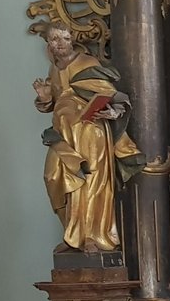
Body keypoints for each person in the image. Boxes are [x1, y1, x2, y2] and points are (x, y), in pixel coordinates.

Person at [33, 23, 145, 252]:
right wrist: (44, 98)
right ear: (48, 44)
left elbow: (113, 96)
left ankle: (92, 236)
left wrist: (112, 112)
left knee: (90, 181)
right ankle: (72, 234)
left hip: (90, 131)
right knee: (53, 177)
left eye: (64, 38)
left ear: (71, 40)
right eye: (54, 39)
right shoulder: (54, 68)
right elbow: (56, 101)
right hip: (63, 134)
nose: (59, 44)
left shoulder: (87, 63)